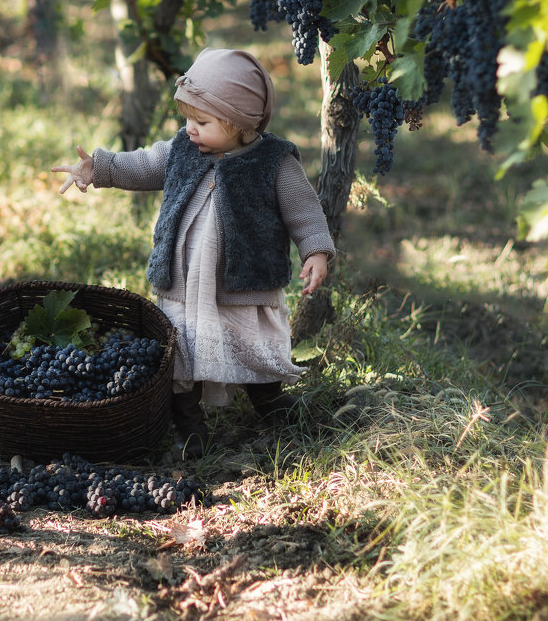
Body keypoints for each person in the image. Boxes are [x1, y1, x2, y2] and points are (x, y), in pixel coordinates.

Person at [51, 47, 335, 458]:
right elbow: (144, 164)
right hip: (184, 279)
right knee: (182, 349)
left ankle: (269, 402)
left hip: (244, 281)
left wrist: (316, 251)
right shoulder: (182, 149)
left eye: (201, 121)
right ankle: (188, 423)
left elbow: (304, 209)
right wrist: (99, 168)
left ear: (239, 123)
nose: (190, 129)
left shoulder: (275, 161)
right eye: (187, 119)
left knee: (250, 342)